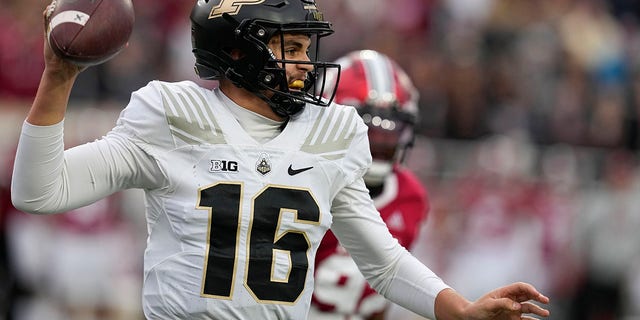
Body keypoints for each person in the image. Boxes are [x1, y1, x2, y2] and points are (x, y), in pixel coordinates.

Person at [12, 1, 550, 319]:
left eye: (305, 48)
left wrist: (460, 309)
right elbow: (40, 192)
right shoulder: (170, 114)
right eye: (290, 48)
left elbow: (381, 261)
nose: (306, 64)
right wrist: (59, 78)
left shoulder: (333, 132)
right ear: (238, 51)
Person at [309, 50, 430, 320]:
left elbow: (387, 288)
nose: (380, 142)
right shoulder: (306, 181)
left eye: (391, 130)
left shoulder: (410, 196)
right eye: (368, 128)